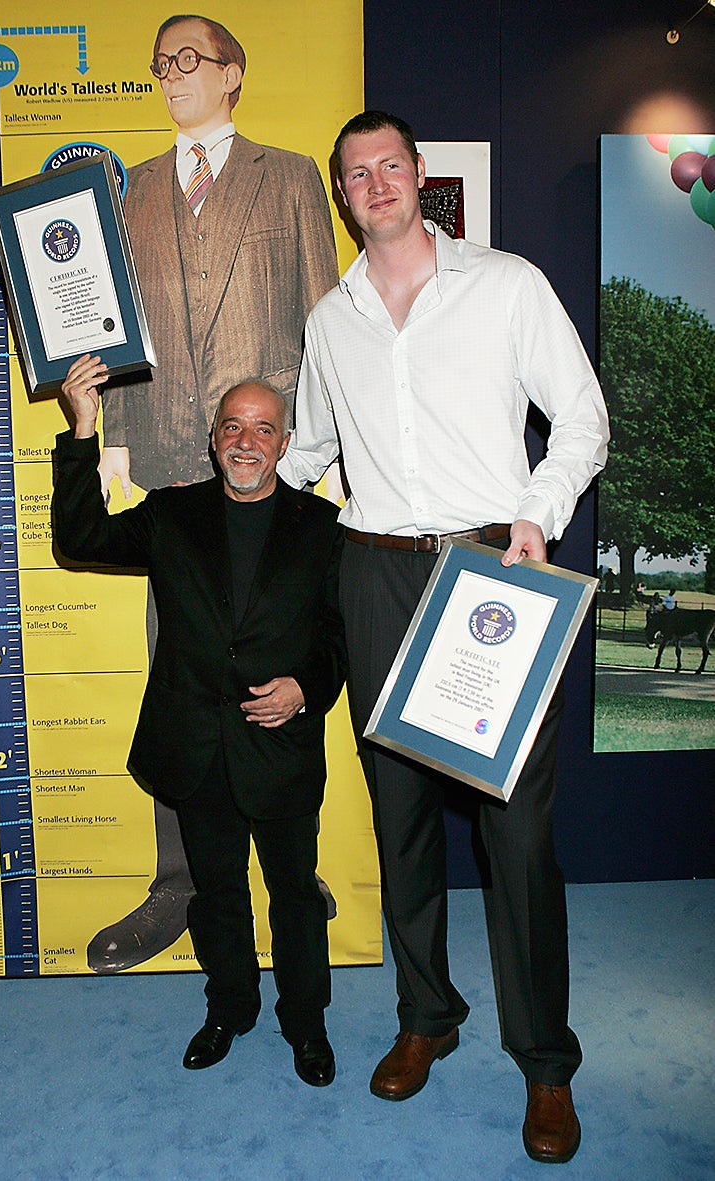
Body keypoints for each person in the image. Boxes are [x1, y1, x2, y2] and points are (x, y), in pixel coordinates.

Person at [277, 111, 609, 1162]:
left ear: (419, 178)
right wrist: (227, 495)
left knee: (516, 834)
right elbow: (311, 449)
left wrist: (537, 507)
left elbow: (584, 414)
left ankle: (545, 1060)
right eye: (354, 174)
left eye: (388, 166)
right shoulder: (330, 323)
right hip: (372, 574)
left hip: (490, 575)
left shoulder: (507, 285)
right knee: (402, 818)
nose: (373, 184)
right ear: (342, 194)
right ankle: (427, 1015)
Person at [77, 13, 339, 974]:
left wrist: (308, 459)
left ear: (233, 75)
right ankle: (180, 878)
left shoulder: (293, 176)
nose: (170, 74)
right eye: (160, 62)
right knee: (181, 686)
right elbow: (94, 321)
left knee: (277, 665)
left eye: (190, 59)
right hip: (170, 481)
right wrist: (101, 427)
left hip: (266, 471)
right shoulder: (127, 191)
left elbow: (325, 324)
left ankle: (288, 862)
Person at [53, 367, 346, 1087]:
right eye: (233, 427)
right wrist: (82, 430)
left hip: (278, 750)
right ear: (215, 440)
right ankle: (230, 1008)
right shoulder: (171, 514)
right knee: (215, 893)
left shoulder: (323, 528)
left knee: (296, 897)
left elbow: (341, 642)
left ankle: (305, 1023)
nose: (247, 441)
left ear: (283, 444)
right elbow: (80, 535)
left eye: (263, 429)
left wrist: (305, 688)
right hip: (195, 748)